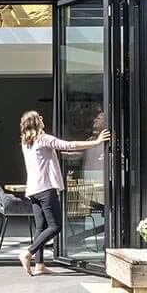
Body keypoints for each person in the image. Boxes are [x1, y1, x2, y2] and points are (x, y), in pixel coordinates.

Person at [16, 110, 110, 276]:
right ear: (36, 122)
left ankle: (39, 265)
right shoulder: (43, 138)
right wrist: (96, 142)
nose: (42, 118)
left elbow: (52, 154)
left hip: (33, 190)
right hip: (46, 189)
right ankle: (28, 253)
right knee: (55, 226)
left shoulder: (27, 143)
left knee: (41, 228)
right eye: (39, 117)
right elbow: (68, 144)